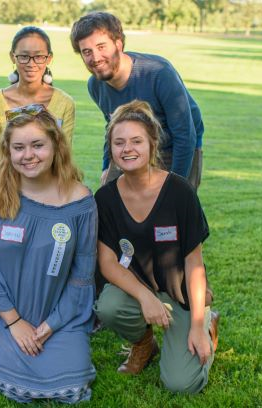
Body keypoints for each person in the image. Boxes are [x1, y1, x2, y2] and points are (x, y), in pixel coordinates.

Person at [0, 106, 96, 403]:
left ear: (56, 146)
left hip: (59, 314)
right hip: (8, 312)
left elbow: (82, 272)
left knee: (71, 388)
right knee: (14, 388)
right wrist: (14, 322)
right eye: (19, 147)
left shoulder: (82, 200)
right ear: (8, 152)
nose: (29, 155)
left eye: (38, 145)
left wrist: (53, 324)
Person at [94, 100, 219, 394]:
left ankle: (208, 327)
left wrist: (196, 325)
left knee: (181, 384)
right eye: (119, 142)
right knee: (109, 307)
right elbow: (108, 263)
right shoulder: (106, 198)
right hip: (138, 291)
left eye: (137, 141)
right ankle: (143, 344)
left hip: (179, 292)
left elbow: (194, 264)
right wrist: (144, 297)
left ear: (152, 144)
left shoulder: (179, 192)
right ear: (110, 149)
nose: (127, 149)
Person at [70, 12, 204, 188]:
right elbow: (112, 127)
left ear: (118, 44)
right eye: (86, 52)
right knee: (111, 197)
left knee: (173, 207)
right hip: (131, 144)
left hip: (175, 146)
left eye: (101, 47)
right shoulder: (95, 85)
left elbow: (185, 134)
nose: (95, 58)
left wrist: (176, 185)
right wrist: (106, 166)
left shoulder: (159, 73)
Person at [0, 26, 75, 166]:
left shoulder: (64, 103)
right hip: (7, 184)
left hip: (48, 186)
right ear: (12, 57)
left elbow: (63, 155)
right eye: (24, 56)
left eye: (39, 57)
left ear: (49, 58)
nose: (31, 63)